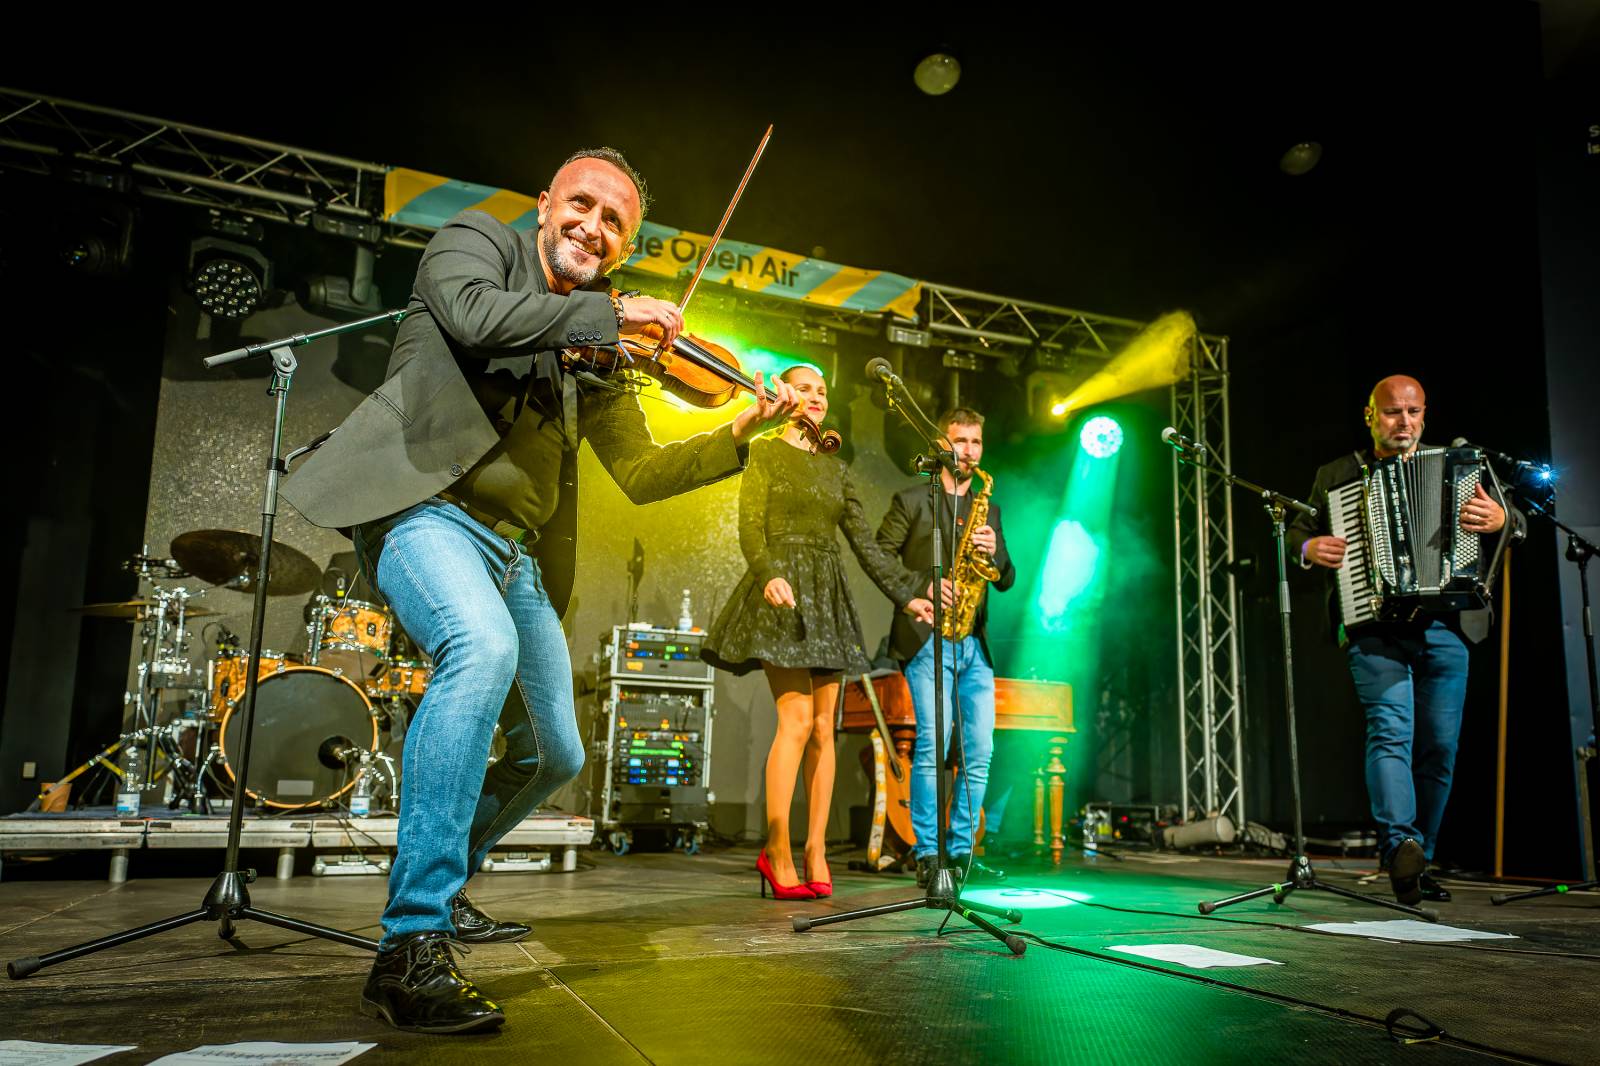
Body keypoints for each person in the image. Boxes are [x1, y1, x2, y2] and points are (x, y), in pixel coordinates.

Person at [281, 148, 798, 1033]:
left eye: (614, 224)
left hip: (514, 555)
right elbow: (475, 320)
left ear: (624, 246)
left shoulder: (595, 352)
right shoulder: (474, 243)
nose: (592, 227)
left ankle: (444, 888)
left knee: (555, 753)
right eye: (582, 206)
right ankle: (409, 944)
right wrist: (609, 313)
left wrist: (742, 425)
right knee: (477, 650)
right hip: (424, 513)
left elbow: (640, 469)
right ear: (544, 204)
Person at [1288, 374, 1523, 905]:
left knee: (1440, 746)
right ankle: (1399, 847)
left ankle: (1419, 862)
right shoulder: (1338, 474)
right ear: (1370, 416)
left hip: (1447, 625)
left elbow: (1520, 522)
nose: (1405, 422)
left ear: (1425, 414)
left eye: (1414, 412)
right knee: (1390, 730)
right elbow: (1294, 532)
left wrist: (1501, 517)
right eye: (1393, 412)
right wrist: (1310, 548)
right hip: (1374, 625)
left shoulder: (1462, 466)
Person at [701, 365, 930, 900]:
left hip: (825, 594)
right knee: (797, 720)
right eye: (805, 388)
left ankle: (815, 850)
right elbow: (748, 527)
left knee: (825, 729)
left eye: (824, 390)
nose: (817, 397)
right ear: (784, 394)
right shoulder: (764, 453)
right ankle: (777, 850)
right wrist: (767, 574)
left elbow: (865, 544)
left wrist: (906, 593)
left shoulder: (837, 469)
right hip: (783, 586)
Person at [875, 407, 1016, 888]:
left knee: (979, 752)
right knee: (933, 747)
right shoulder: (912, 500)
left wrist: (994, 547)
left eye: (977, 442)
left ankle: (961, 853)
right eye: (961, 441)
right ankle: (928, 855)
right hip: (927, 638)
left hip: (973, 644)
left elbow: (1007, 578)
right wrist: (922, 587)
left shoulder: (988, 507)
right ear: (941, 444)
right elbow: (879, 554)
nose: (970, 452)